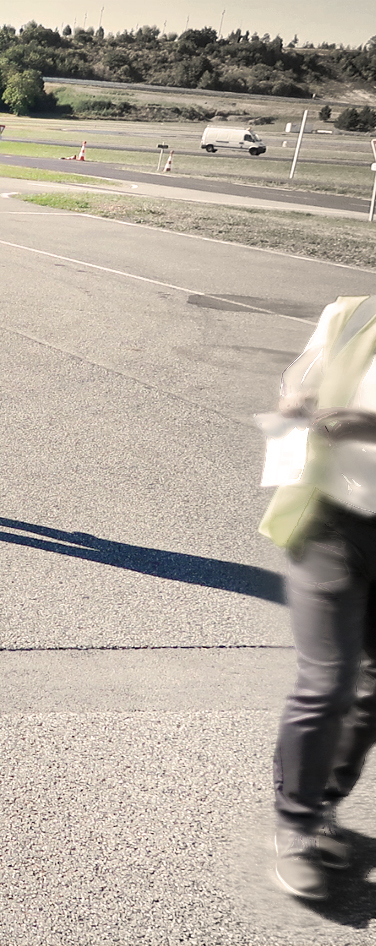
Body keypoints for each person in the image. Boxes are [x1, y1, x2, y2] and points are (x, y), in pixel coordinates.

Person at [259, 293, 376, 901]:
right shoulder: (350, 312)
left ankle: (324, 801)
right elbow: (301, 374)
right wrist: (295, 405)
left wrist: (366, 425)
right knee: (328, 680)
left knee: (373, 691)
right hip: (332, 523)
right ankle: (297, 825)